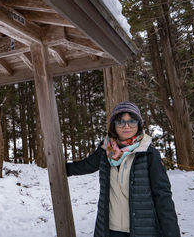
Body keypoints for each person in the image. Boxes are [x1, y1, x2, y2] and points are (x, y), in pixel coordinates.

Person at [66, 101, 180, 237]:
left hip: (142, 230)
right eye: (121, 122)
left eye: (132, 121)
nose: (126, 126)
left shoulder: (149, 153)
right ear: (114, 125)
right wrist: (59, 169)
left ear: (138, 124)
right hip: (110, 230)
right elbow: (86, 166)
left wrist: (171, 232)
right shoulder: (105, 150)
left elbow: (162, 196)